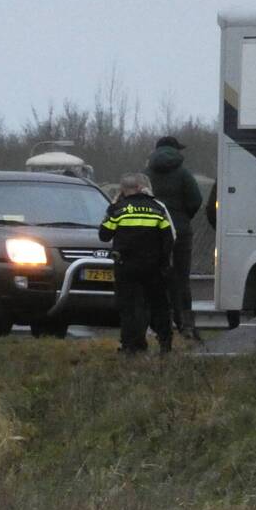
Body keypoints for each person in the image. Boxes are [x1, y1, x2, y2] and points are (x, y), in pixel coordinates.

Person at [99, 173, 176, 355]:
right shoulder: (157, 208)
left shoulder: (117, 209)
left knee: (129, 307)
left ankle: (130, 346)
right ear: (141, 188)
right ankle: (165, 344)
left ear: (122, 190)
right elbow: (169, 239)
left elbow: (104, 235)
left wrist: (112, 208)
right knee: (159, 305)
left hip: (126, 267)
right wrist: (164, 262)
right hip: (154, 267)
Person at [144, 135, 204, 340]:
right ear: (175, 150)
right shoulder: (184, 173)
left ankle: (157, 325)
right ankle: (186, 326)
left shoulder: (145, 174)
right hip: (179, 232)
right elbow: (196, 200)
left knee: (155, 278)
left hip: (151, 233)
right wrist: (182, 217)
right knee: (181, 278)